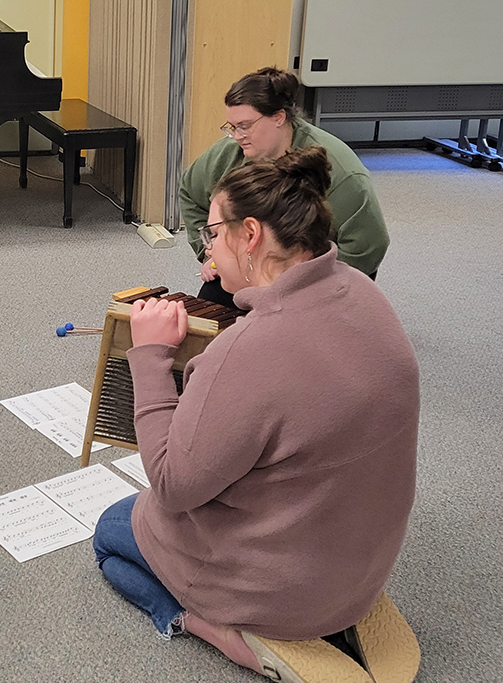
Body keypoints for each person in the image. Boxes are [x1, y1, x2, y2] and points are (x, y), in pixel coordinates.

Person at [93, 147, 419, 681]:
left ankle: (224, 633)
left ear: (250, 235)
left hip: (281, 591)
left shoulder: (247, 351)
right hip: (363, 567)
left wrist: (151, 356)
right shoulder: (364, 292)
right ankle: (328, 616)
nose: (209, 251)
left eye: (213, 235)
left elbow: (174, 485)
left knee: (110, 530)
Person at [180, 67, 389, 309]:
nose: (237, 136)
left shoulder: (342, 173)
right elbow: (189, 192)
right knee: (210, 313)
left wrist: (300, 282)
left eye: (245, 126)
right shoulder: (227, 156)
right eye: (232, 127)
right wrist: (214, 253)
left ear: (279, 117)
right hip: (250, 265)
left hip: (311, 278)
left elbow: (368, 247)